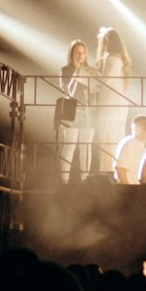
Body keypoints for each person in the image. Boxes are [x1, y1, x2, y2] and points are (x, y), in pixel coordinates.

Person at [57, 37, 98, 182]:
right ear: (72, 54)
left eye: (83, 52)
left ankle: (84, 180)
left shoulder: (91, 70)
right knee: (70, 145)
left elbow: (94, 90)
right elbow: (68, 91)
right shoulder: (66, 70)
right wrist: (77, 74)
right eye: (77, 53)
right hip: (71, 109)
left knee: (86, 147)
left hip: (87, 110)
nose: (80, 55)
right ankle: (64, 181)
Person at [94, 25, 132, 174]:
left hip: (110, 105)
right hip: (119, 105)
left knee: (106, 140)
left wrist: (92, 76)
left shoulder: (111, 59)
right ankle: (116, 172)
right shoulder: (120, 58)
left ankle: (107, 173)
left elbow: (105, 81)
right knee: (116, 139)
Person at [113, 113, 146, 184]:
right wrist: (128, 189)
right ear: (135, 128)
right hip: (130, 189)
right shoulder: (129, 143)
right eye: (145, 128)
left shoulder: (143, 148)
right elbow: (120, 169)